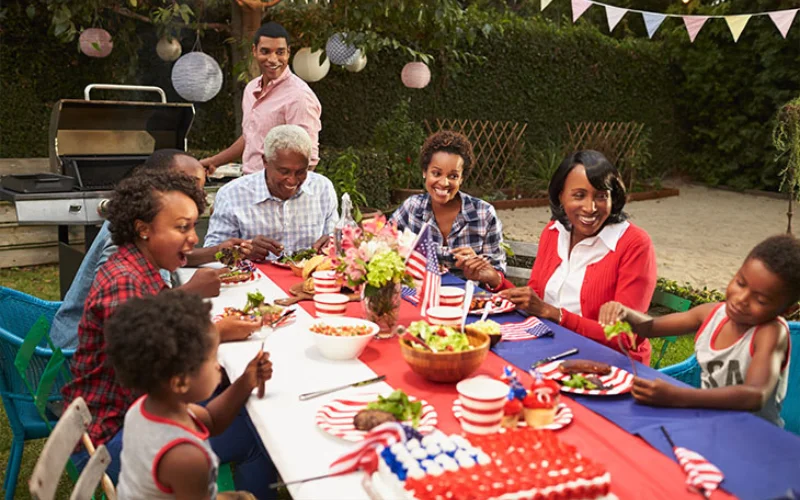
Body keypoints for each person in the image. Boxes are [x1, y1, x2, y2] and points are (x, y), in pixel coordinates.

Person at [61, 171, 264, 483]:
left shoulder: (142, 269)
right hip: (110, 440)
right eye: (182, 227)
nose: (195, 238)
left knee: (240, 403)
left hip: (124, 417)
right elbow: (155, 382)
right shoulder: (125, 285)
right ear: (143, 230)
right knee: (258, 435)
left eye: (194, 226)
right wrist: (215, 338)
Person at [49, 149, 248, 349]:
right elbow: (125, 329)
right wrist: (191, 295)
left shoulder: (146, 243)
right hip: (76, 350)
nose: (198, 195)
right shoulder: (122, 265)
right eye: (188, 185)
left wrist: (216, 252)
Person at [598, 234, 799, 426]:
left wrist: (678, 396)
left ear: (788, 310)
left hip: (754, 435)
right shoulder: (711, 313)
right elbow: (651, 327)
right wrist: (625, 313)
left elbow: (755, 395)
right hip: (711, 421)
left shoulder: (770, 333)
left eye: (760, 300)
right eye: (740, 283)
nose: (741, 299)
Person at [498, 150, 657, 364]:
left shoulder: (634, 244)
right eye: (579, 195)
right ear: (560, 195)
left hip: (611, 364)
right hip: (551, 348)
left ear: (614, 197)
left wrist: (556, 314)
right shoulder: (554, 231)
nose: (590, 208)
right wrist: (497, 282)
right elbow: (535, 297)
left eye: (601, 196)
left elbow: (624, 336)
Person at [109, 291, 272, 499]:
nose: (218, 366)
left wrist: (245, 382)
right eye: (213, 359)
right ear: (181, 382)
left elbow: (211, 420)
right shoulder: (187, 458)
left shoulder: (144, 409)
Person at [389, 131, 507, 290]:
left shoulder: (484, 214)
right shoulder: (411, 208)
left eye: (453, 176)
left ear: (462, 178)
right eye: (436, 173)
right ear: (425, 172)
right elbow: (383, 248)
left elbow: (498, 277)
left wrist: (482, 270)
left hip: (468, 304)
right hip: (417, 297)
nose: (444, 183)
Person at [200, 22, 322, 175]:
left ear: (288, 53)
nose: (272, 59)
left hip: (277, 193)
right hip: (247, 184)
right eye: (265, 51)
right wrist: (213, 162)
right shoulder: (251, 89)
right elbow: (251, 137)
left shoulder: (299, 96)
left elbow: (308, 159)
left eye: (280, 52)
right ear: (254, 51)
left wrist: (277, 192)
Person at [204, 124, 337, 260]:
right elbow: (212, 252)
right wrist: (242, 252)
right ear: (265, 161)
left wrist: (333, 243)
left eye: (301, 172)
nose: (292, 180)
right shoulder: (232, 195)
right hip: (254, 280)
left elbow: (336, 237)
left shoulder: (322, 188)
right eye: (284, 172)